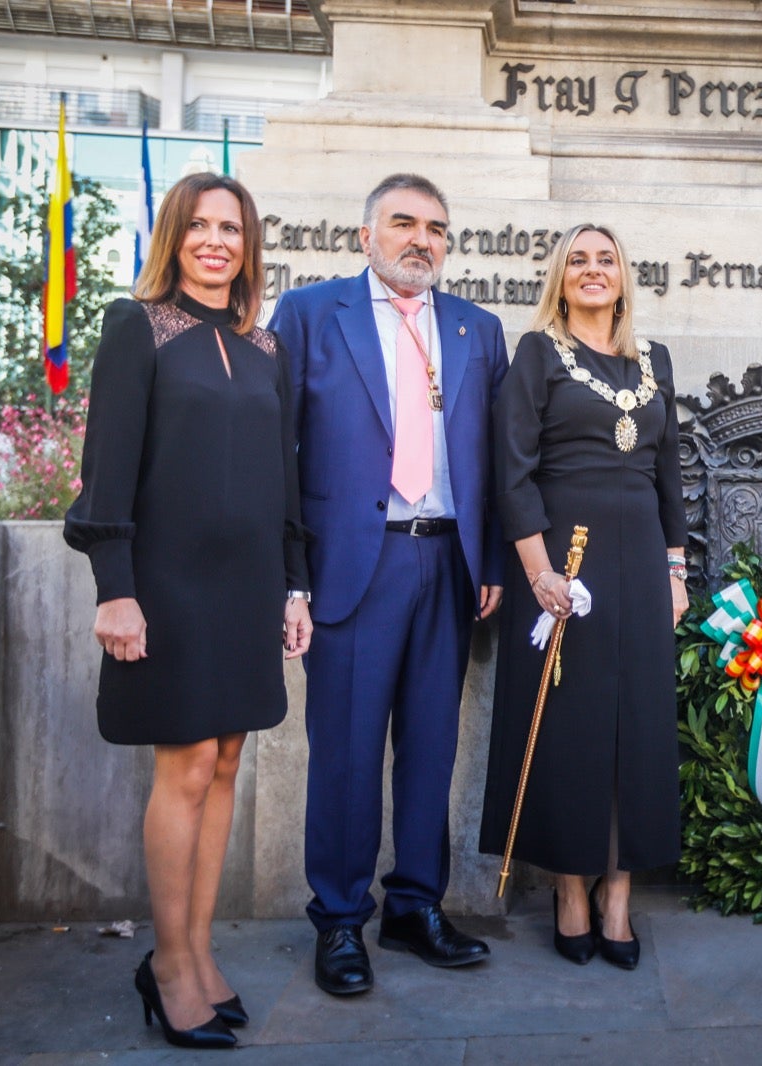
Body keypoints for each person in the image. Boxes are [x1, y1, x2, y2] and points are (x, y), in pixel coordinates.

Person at [64, 172, 312, 1049]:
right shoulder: (138, 327)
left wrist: (295, 584)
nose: (217, 241)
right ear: (174, 235)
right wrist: (115, 589)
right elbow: (107, 469)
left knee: (229, 759)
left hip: (248, 584)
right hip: (166, 582)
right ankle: (168, 964)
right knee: (188, 762)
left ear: (249, 246)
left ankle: (199, 954)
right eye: (201, 226)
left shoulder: (266, 348)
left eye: (232, 229)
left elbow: (286, 481)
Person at [268, 174, 508, 996]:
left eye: (437, 228)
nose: (421, 240)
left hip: (448, 563)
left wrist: (497, 563)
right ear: (365, 235)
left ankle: (415, 907)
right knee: (345, 752)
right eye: (403, 223)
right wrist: (290, 579)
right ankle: (339, 920)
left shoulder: (480, 329)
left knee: (432, 748)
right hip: (352, 567)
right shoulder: (309, 316)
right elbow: (280, 457)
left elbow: (496, 462)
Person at [478, 224, 688, 971]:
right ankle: (570, 891)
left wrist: (675, 572)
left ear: (624, 277)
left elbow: (670, 476)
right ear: (560, 279)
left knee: (636, 725)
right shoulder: (537, 353)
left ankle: (619, 897)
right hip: (566, 562)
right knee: (571, 724)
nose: (592, 271)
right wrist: (539, 574)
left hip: (640, 565)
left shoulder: (655, 361)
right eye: (578, 261)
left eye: (606, 260)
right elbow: (512, 472)